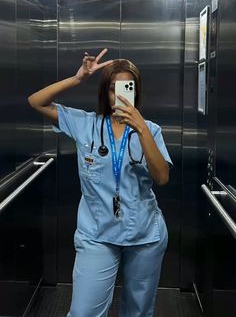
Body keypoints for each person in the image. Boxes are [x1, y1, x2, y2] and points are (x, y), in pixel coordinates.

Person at [28, 48, 173, 317]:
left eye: (126, 88)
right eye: (112, 89)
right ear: (104, 93)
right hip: (96, 235)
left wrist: (140, 128)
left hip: (144, 235)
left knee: (138, 312)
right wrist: (77, 79)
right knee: (84, 312)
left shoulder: (150, 130)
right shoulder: (85, 124)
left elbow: (162, 177)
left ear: (136, 91)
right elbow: (36, 102)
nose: (119, 96)